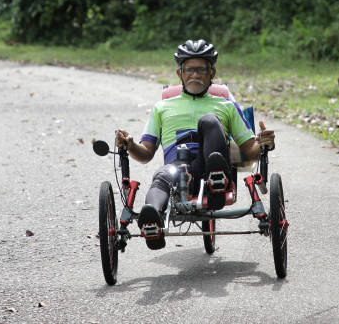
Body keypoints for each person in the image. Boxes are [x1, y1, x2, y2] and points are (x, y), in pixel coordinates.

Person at [115, 39, 276, 250]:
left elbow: (248, 150)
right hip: (179, 172)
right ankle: (151, 221)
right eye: (189, 69)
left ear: (212, 73)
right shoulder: (161, 108)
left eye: (202, 69)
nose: (195, 75)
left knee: (209, 120)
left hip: (213, 170)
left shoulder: (226, 106)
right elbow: (146, 154)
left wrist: (264, 144)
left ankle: (215, 178)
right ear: (179, 74)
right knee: (162, 176)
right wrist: (130, 144)